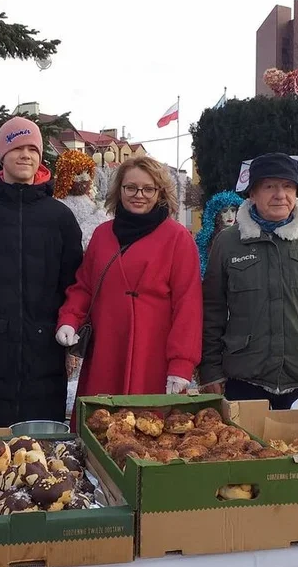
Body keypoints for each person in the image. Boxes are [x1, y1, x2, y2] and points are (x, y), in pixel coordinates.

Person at [0, 117, 83, 428]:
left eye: (32, 149)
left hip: (43, 359)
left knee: (40, 460)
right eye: (17, 148)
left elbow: (74, 284)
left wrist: (73, 343)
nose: (26, 155)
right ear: (1, 156)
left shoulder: (59, 218)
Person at [199, 152, 298, 408]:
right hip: (244, 381)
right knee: (243, 448)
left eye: (287, 186)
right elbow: (211, 311)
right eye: (269, 186)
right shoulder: (228, 243)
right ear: (252, 193)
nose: (280, 194)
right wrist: (210, 370)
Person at [56, 156, 203, 427]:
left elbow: (188, 306)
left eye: (148, 189)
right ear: (119, 190)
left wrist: (182, 363)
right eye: (131, 188)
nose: (139, 195)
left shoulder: (178, 239)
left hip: (152, 357)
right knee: (99, 431)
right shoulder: (102, 235)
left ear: (160, 193)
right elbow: (85, 286)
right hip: (106, 353)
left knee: (148, 435)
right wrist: (69, 318)